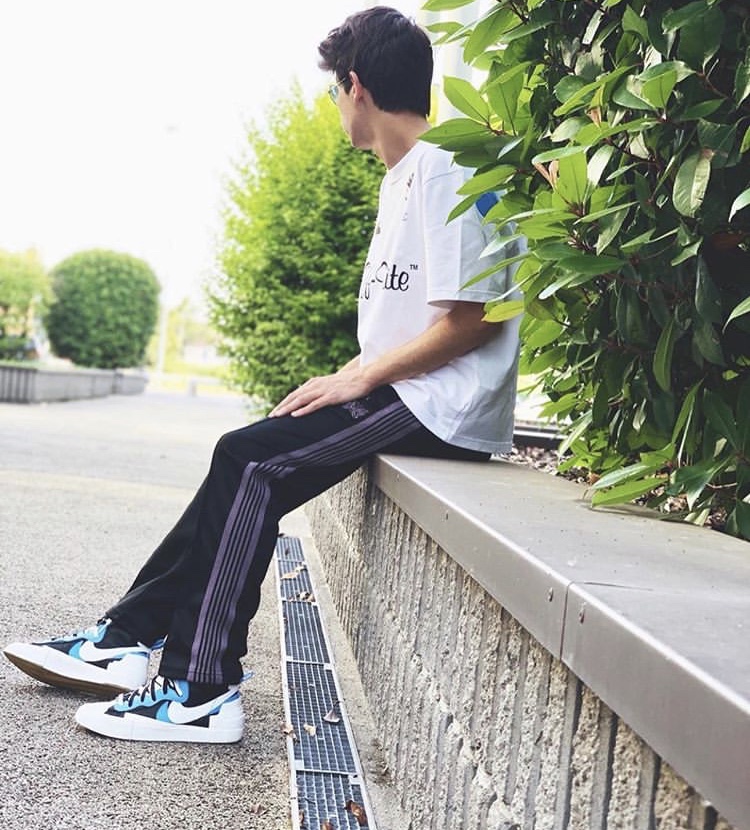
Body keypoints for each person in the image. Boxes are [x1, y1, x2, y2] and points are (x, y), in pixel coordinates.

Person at [3, 6, 521, 743]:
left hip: (442, 403)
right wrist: (346, 374)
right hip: (408, 388)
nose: (337, 105)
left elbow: (476, 319)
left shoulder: (445, 167)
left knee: (252, 464)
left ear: (356, 86)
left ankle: (200, 691)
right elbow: (411, 323)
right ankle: (128, 637)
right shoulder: (406, 175)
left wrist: (360, 380)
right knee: (240, 453)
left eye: (335, 91)